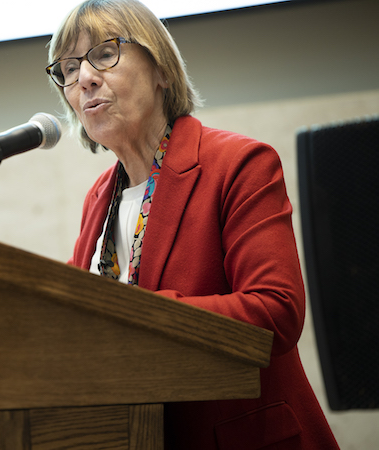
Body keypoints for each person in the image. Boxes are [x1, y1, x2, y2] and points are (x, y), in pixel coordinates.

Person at [45, 0, 339, 448]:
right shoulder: (98, 200)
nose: (84, 78)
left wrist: (126, 316)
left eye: (105, 54)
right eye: (68, 67)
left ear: (161, 69)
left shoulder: (238, 165)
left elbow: (275, 313)